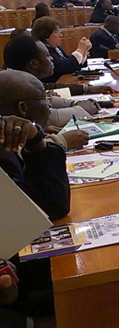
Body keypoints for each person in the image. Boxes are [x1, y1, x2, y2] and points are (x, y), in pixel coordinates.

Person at [0, 71, 70, 220]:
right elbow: (49, 208)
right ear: (23, 108)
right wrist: (36, 142)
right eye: (45, 99)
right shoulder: (4, 152)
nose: (49, 106)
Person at [3, 35, 102, 128]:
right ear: (34, 64)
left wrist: (75, 102)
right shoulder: (18, 87)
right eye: (47, 56)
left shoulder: (22, 80)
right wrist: (83, 109)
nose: (52, 58)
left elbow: (47, 97)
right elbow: (46, 118)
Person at [32, 17, 89, 83]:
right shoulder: (44, 51)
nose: (61, 35)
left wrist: (84, 51)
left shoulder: (56, 48)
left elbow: (69, 61)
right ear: (46, 36)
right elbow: (64, 68)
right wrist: (80, 50)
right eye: (56, 32)